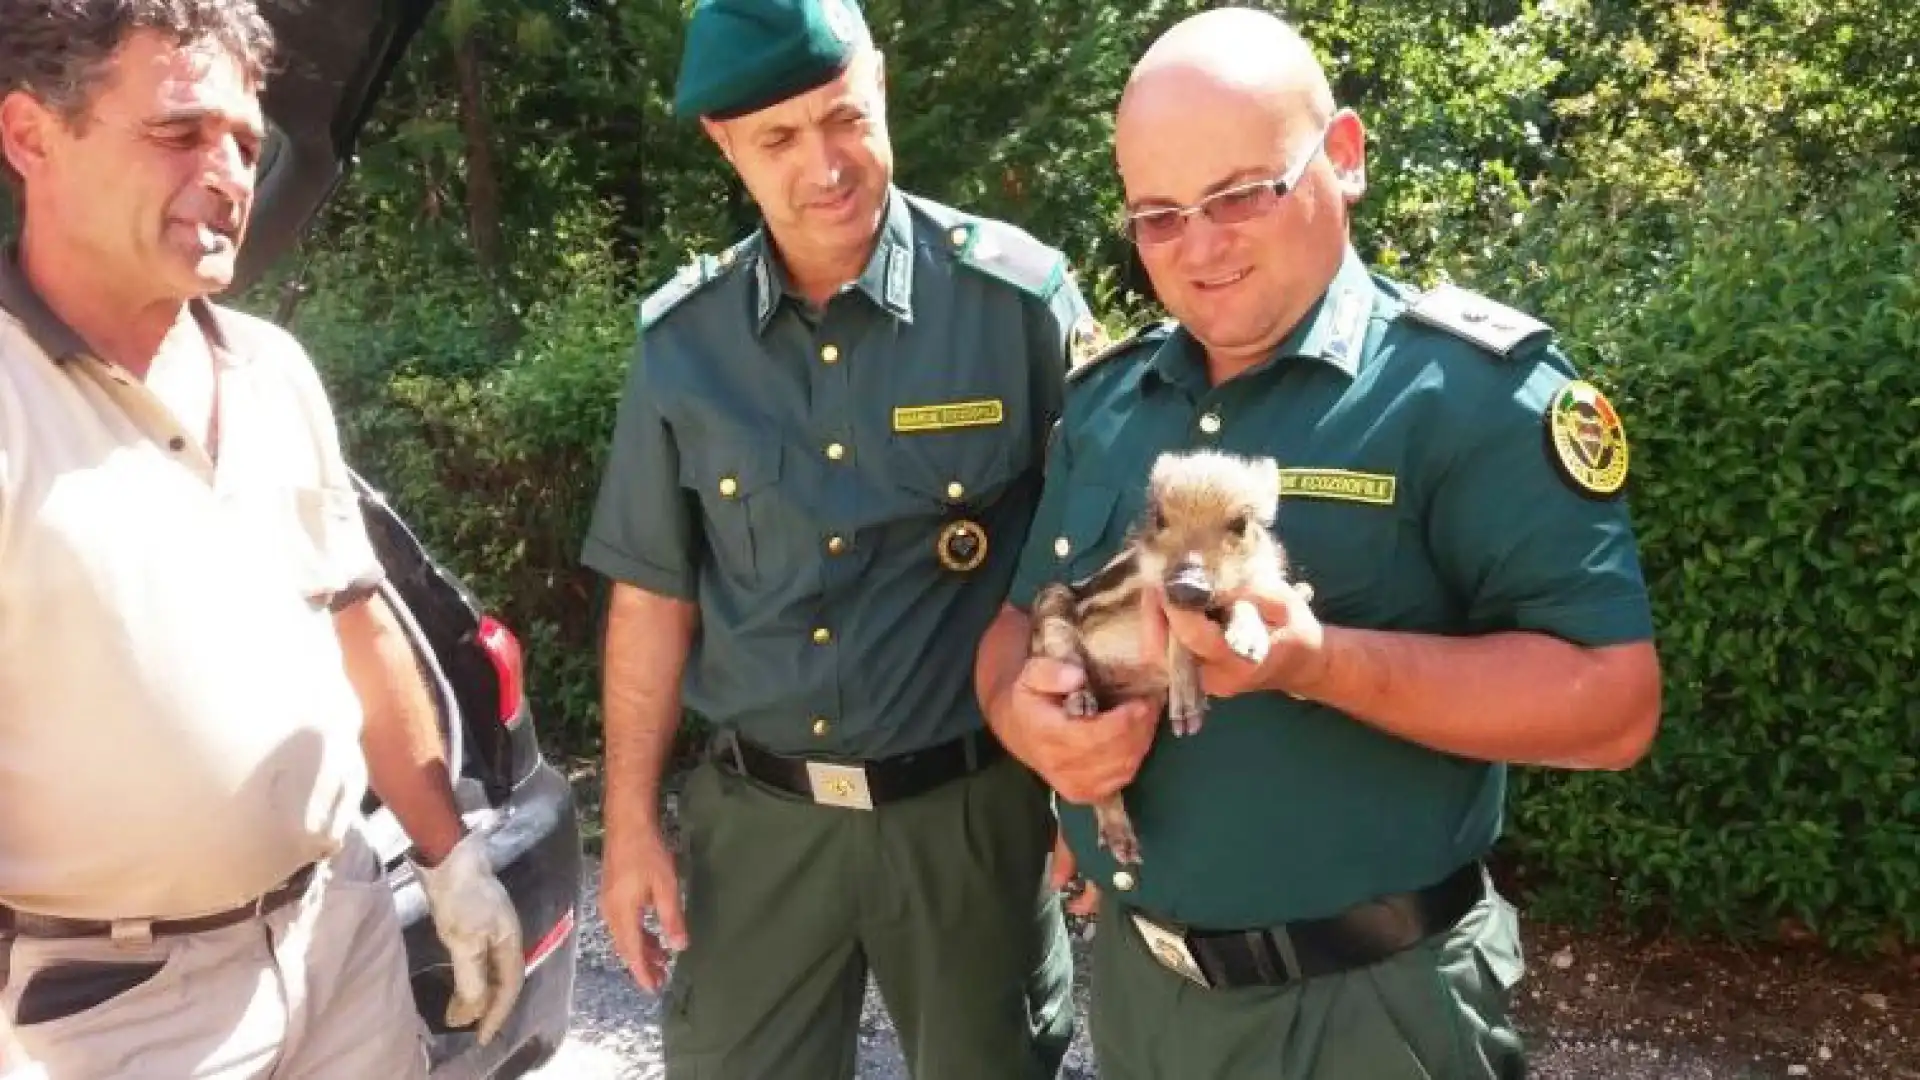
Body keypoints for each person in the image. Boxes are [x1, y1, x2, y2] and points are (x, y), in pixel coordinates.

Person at [973, 7, 1664, 1078]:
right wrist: (1030, 726)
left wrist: (1322, 665)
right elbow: (1018, 627)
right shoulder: (1110, 404)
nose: (1200, 247)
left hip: (1377, 1017)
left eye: (1241, 194)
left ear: (1342, 158)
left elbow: (1614, 705)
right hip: (1145, 1004)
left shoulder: (1468, 394)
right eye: (1159, 216)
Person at [578, 0, 1106, 1076]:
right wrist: (629, 825)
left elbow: (1092, 561)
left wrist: (1095, 791)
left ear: (880, 84)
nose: (826, 165)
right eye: (778, 138)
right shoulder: (684, 346)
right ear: (724, 145)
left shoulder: (1014, 303)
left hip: (969, 821)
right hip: (760, 833)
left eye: (845, 118)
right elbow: (651, 599)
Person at [0, 3, 526, 1077]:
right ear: (29, 135)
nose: (231, 173)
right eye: (181, 133)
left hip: (345, 938)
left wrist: (451, 859)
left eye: (246, 142)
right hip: (110, 1013)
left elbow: (358, 622)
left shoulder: (273, 369)